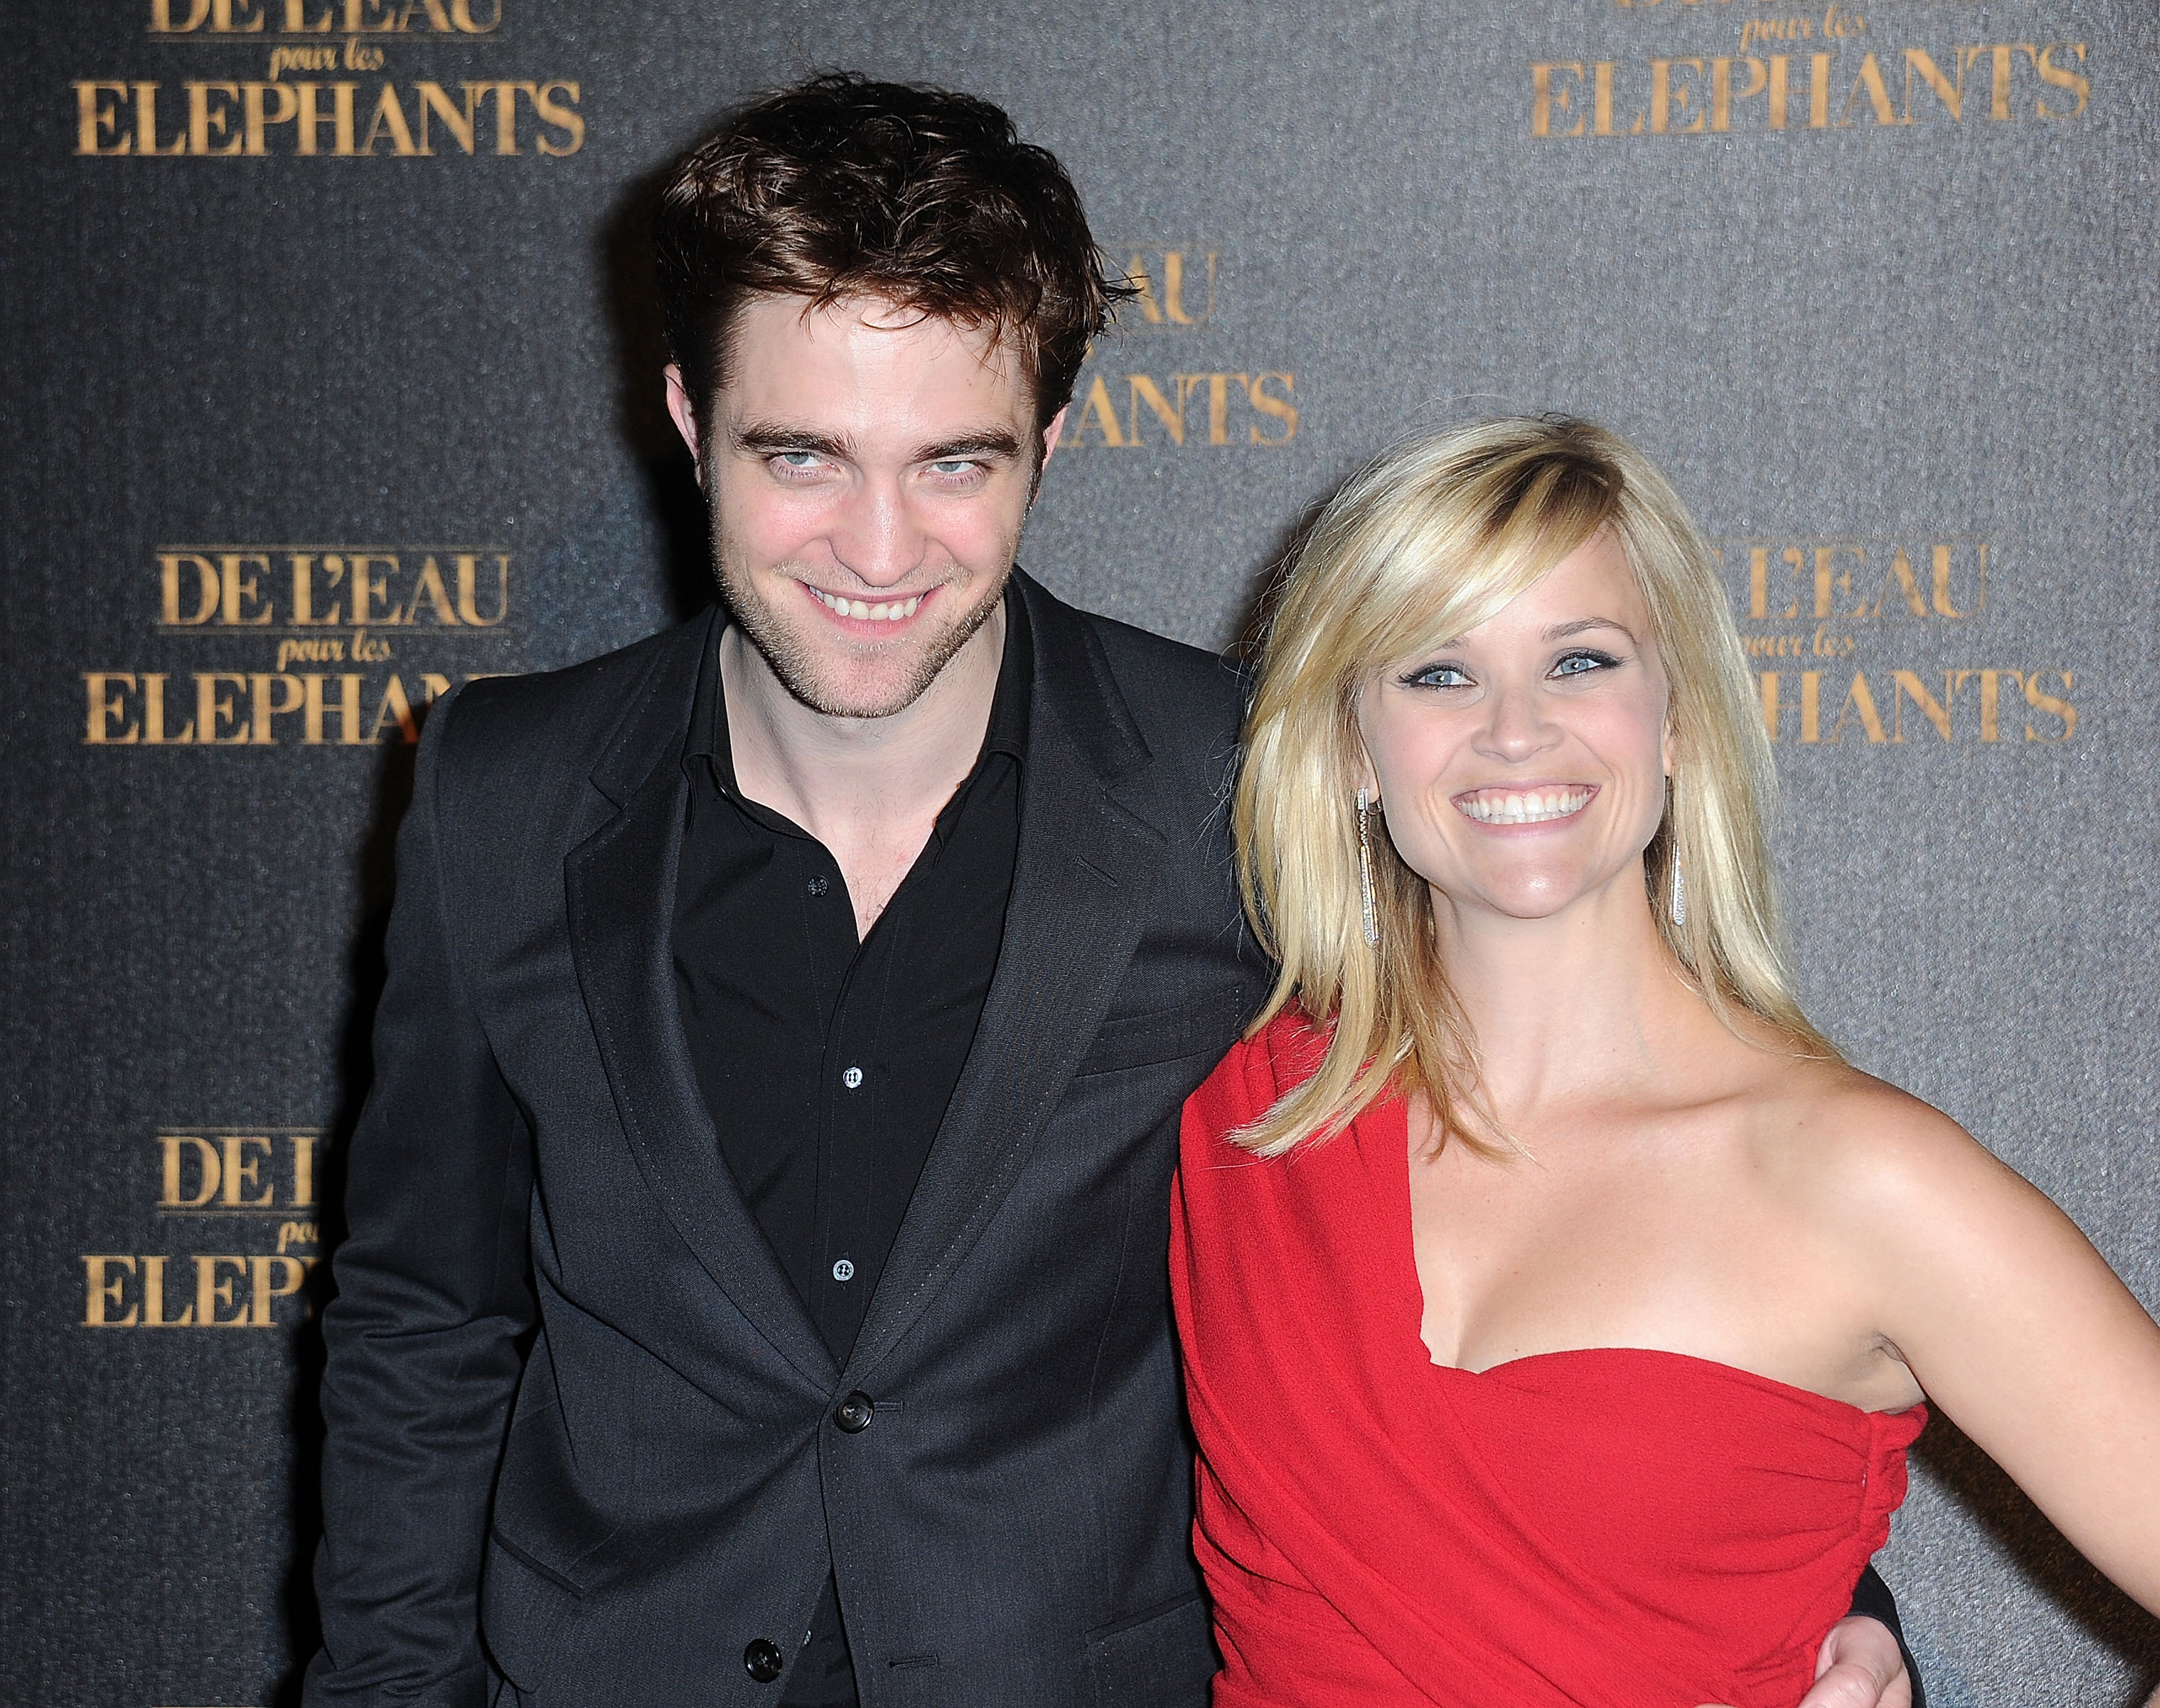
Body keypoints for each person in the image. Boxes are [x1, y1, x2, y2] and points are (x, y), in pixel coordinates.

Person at [303, 77, 1914, 1708]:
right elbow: (424, 1322)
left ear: (1052, 442)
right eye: (804, 456)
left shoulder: (1237, 783)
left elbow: (1564, 1157)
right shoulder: (501, 789)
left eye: (955, 463)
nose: (879, 548)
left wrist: (1816, 1593)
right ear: (686, 417)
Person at [1171, 416, 2160, 1707]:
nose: (1515, 730)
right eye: (1439, 673)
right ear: (1354, 748)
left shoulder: (1862, 1179)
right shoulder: (1244, 1117)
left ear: (1679, 715)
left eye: (1578, 661)